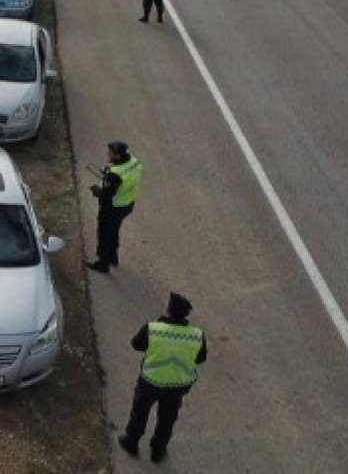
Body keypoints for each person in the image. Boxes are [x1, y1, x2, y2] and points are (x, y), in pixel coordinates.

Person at [118, 292, 208, 463]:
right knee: (168, 417)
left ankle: (131, 441)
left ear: (168, 309)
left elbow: (136, 344)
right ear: (185, 315)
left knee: (140, 411)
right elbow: (201, 359)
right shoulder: (197, 335)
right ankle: (158, 451)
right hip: (178, 385)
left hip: (150, 381)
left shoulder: (153, 329)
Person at [86, 140, 142, 273]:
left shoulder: (115, 175)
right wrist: (108, 174)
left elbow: (106, 194)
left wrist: (96, 190)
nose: (108, 154)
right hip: (127, 204)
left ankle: (103, 263)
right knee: (114, 230)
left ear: (117, 155)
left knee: (105, 234)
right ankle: (113, 257)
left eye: (110, 153)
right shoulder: (134, 162)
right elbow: (123, 176)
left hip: (112, 207)